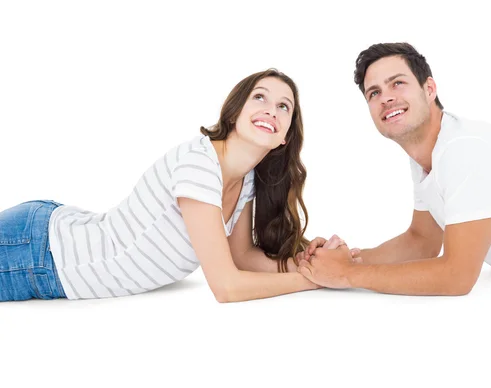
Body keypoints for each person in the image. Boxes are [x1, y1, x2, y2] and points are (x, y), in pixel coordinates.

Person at [0, 68, 357, 303]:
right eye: (260, 97)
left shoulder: (246, 179)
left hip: (52, 245)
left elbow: (241, 256)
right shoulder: (199, 165)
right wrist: (313, 281)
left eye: (284, 106)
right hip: (37, 253)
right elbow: (226, 286)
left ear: (285, 136)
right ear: (234, 112)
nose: (271, 110)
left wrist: (307, 264)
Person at [297, 42, 491, 295]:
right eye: (373, 93)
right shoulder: (427, 156)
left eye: (397, 83)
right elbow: (422, 241)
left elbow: (457, 276)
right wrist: (347, 259)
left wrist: (348, 274)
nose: (386, 97)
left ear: (429, 89)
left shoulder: (464, 150)